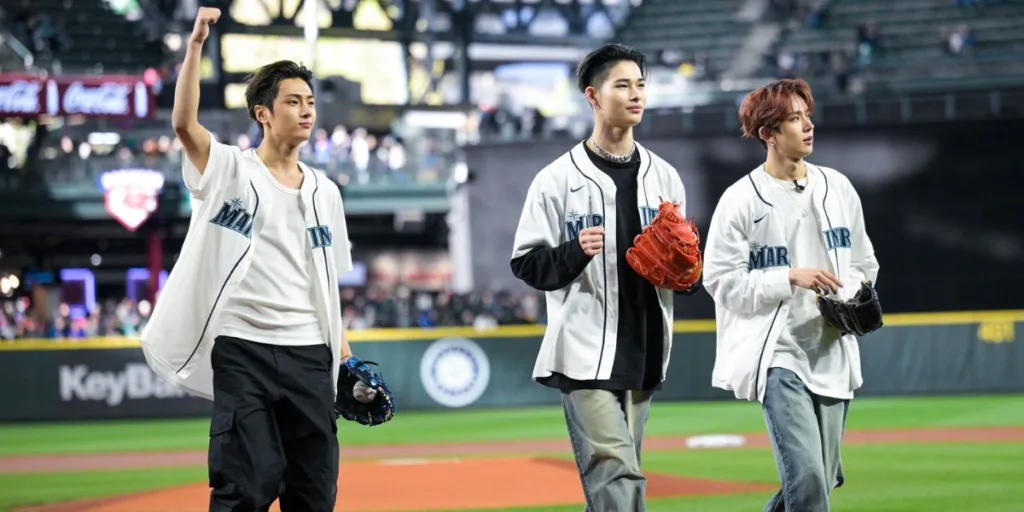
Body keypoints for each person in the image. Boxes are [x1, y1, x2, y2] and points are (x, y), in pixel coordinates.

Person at [140, 7, 356, 511]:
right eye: (293, 101)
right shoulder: (230, 170)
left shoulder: (326, 191)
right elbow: (183, 123)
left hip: (310, 353)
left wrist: (346, 356)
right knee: (245, 485)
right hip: (244, 347)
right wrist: (195, 45)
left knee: (314, 492)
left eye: (310, 102)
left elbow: (326, 282)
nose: (306, 111)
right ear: (263, 112)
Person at [509, 43, 699, 511]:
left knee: (624, 474)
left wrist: (687, 272)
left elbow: (684, 270)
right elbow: (526, 262)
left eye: (640, 85)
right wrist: (573, 253)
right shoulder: (556, 179)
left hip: (645, 347)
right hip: (583, 349)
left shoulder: (665, 177)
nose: (636, 94)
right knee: (616, 469)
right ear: (593, 96)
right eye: (622, 85)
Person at [702, 78, 880, 512]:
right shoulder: (740, 199)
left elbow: (864, 263)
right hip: (777, 353)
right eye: (794, 119)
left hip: (832, 348)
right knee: (808, 477)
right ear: (768, 134)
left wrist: (851, 294)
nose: (808, 126)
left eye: (807, 116)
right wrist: (789, 277)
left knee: (825, 475)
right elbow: (721, 281)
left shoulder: (837, 188)